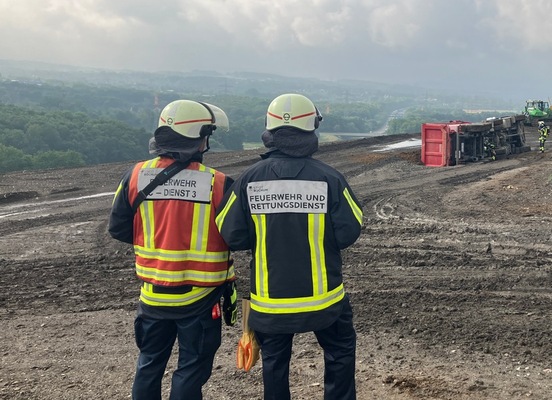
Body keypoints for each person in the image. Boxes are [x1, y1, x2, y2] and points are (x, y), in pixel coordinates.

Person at [216, 93, 363, 400]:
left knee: (274, 364)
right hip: (325, 301)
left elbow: (233, 234)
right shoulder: (330, 179)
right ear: (312, 129)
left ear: (270, 131)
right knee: (340, 352)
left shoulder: (248, 181)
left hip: (270, 304)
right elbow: (350, 231)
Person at [108, 99, 237, 399]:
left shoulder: (136, 176)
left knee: (149, 364)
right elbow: (238, 236)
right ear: (199, 138)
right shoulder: (217, 183)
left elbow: (118, 228)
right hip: (201, 299)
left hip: (152, 296)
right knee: (190, 370)